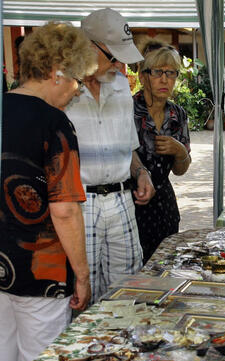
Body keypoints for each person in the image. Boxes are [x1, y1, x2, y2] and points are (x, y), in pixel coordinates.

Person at [0, 22, 97, 361]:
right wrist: (82, 274)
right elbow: (65, 209)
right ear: (57, 73)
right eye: (76, 79)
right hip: (42, 271)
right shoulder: (54, 123)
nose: (77, 90)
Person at [65, 8, 155, 302]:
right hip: (79, 205)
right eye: (114, 57)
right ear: (89, 47)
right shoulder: (61, 90)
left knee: (126, 293)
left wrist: (141, 173)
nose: (121, 67)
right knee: (80, 293)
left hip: (121, 202)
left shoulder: (119, 85)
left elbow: (128, 146)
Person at [132, 39, 191, 264]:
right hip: (134, 204)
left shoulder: (178, 115)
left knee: (166, 268)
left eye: (172, 73)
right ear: (143, 75)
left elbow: (181, 170)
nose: (165, 80)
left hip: (164, 207)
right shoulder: (128, 111)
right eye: (158, 72)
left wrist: (179, 151)